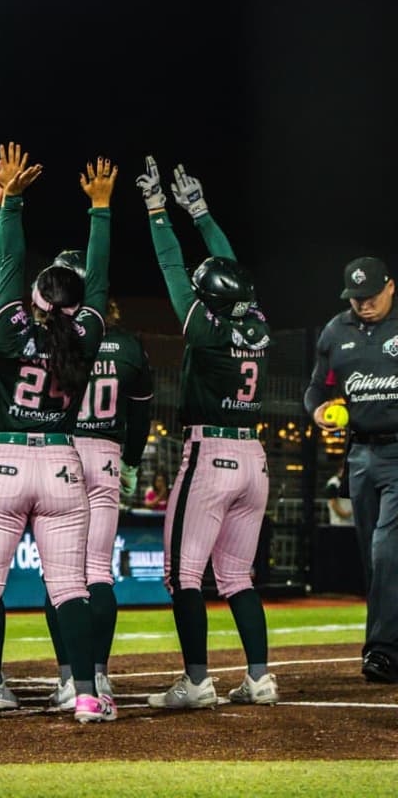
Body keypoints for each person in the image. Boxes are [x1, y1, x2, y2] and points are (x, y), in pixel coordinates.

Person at [0, 144, 116, 724]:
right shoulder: (86, 332)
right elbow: (99, 279)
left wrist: (9, 205)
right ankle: (86, 694)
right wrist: (101, 210)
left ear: (36, 301)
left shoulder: (12, 329)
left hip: (7, 462)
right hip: (64, 465)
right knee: (71, 589)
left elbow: (6, 268)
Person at [136, 157, 276, 708]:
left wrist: (157, 213)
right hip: (256, 459)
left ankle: (196, 682)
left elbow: (174, 271)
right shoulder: (257, 323)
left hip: (212, 454)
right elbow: (231, 267)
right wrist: (200, 212)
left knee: (183, 575)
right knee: (238, 576)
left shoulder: (208, 329)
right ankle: (259, 678)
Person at [43, 292, 154, 710]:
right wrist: (131, 462)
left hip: (61, 449)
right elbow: (142, 414)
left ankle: (70, 678)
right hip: (107, 452)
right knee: (97, 572)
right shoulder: (128, 344)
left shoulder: (54, 337)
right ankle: (100, 676)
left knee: (57, 576)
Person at [306, 256, 398, 683]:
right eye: (356, 297)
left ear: (391, 287)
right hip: (360, 455)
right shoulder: (334, 331)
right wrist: (318, 408)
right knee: (372, 560)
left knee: (386, 550)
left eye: (371, 295)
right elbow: (314, 386)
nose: (363, 303)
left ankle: (380, 652)